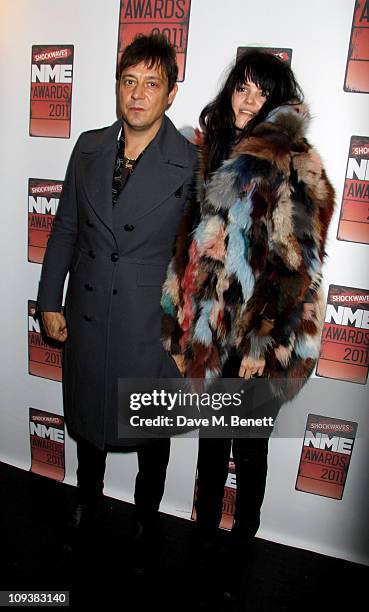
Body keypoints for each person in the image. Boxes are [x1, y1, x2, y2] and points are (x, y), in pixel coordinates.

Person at [161, 50, 335, 559]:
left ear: (275, 102)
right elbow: (189, 247)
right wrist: (181, 321)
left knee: (249, 446)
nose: (248, 99)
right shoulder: (214, 151)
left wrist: (261, 339)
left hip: (262, 332)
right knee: (213, 443)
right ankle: (204, 535)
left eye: (262, 92)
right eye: (242, 87)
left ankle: (241, 546)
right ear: (230, 90)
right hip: (214, 328)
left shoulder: (292, 161)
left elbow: (295, 263)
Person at [37, 34, 197, 562]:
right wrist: (49, 301)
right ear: (117, 87)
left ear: (171, 93)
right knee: (87, 415)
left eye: (152, 83)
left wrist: (182, 338)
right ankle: (88, 502)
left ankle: (146, 519)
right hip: (88, 310)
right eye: (129, 81)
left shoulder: (191, 163)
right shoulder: (87, 147)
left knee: (151, 428)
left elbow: (198, 261)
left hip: (149, 320)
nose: (137, 94)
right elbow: (64, 230)